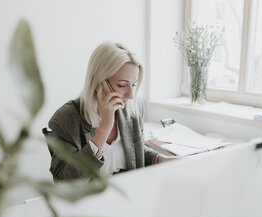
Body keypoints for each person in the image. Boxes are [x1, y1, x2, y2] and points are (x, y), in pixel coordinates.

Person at [48, 41, 175, 181]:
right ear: (98, 82)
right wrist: (103, 130)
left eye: (133, 85)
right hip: (91, 200)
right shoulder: (65, 119)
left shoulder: (133, 107)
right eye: (122, 85)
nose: (131, 95)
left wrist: (159, 159)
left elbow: (135, 150)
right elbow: (64, 182)